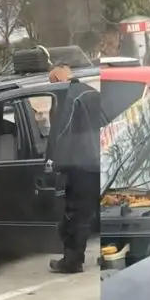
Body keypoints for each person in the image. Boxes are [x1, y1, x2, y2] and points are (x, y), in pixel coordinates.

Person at [47, 65, 101, 273]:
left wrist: (54, 160)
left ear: (60, 78)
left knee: (77, 216)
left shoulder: (70, 98)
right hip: (101, 160)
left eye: (52, 81)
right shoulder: (92, 92)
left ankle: (72, 261)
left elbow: (62, 133)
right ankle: (108, 254)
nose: (53, 87)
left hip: (81, 165)